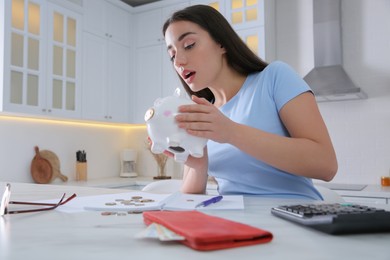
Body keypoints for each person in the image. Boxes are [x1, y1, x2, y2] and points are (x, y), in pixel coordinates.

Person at [161, 5, 338, 200]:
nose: (179, 61)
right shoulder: (202, 113)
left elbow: (326, 165)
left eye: (189, 45)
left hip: (294, 218)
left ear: (221, 43)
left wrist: (231, 132)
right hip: (233, 224)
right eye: (172, 56)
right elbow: (190, 201)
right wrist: (197, 165)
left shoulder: (274, 77)